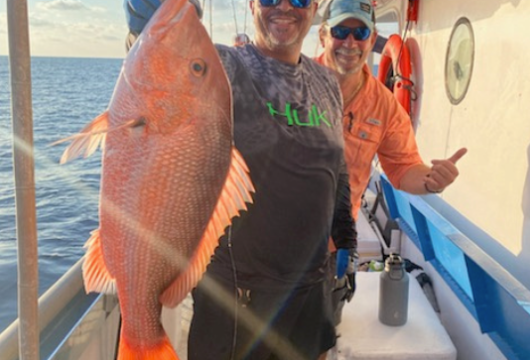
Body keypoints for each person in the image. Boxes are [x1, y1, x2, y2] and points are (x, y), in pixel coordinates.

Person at [124, 0, 357, 359]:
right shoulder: (223, 66)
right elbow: (162, 61)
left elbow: (337, 168)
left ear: (314, 8)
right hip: (239, 297)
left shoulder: (326, 81)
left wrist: (346, 239)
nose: (284, 7)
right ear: (251, 5)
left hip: (312, 286)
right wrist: (156, 13)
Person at [315, 0, 466, 357]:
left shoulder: (384, 105)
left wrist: (431, 180)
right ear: (323, 35)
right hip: (275, 242)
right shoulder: (292, 81)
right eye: (339, 31)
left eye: (360, 32)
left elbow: (402, 169)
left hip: (333, 246)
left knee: (319, 335)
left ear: (373, 38)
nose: (349, 42)